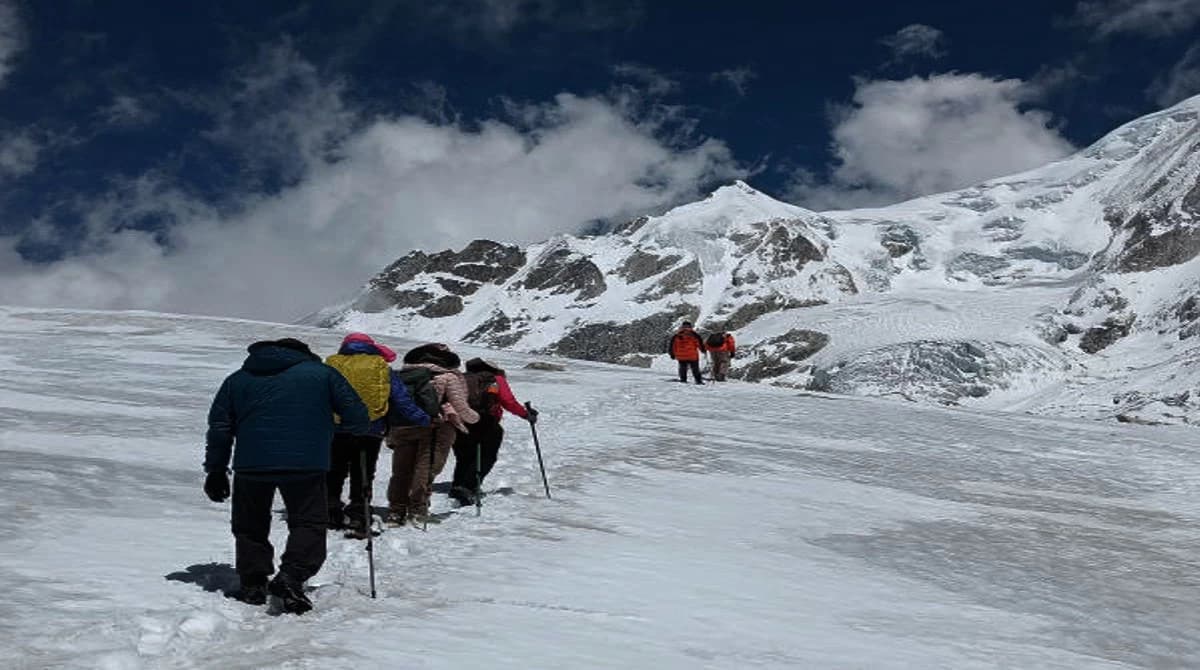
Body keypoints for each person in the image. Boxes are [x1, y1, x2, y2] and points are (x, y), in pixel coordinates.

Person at [204, 337, 370, 614]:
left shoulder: (238, 379)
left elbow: (220, 426)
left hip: (251, 465)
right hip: (306, 463)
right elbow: (358, 417)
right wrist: (332, 430)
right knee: (308, 522)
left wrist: (216, 470)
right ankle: (292, 576)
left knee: (249, 524)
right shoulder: (322, 374)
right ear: (304, 354)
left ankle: (253, 583)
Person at [324, 333, 430, 536]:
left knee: (335, 470)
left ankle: (331, 511)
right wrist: (423, 419)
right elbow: (401, 399)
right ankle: (359, 513)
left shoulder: (332, 364)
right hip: (370, 429)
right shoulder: (381, 366)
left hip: (337, 428)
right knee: (363, 472)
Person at [385, 343, 479, 526]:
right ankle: (418, 510)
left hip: (402, 426)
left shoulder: (401, 374)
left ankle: (395, 511)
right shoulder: (448, 376)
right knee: (425, 469)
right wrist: (476, 418)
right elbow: (462, 408)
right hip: (436, 428)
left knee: (401, 470)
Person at [448, 358, 539, 507]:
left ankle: (457, 485)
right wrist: (526, 415)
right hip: (486, 421)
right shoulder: (495, 379)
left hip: (460, 420)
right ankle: (468, 487)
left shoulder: (461, 378)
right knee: (487, 456)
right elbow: (508, 401)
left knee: (464, 456)